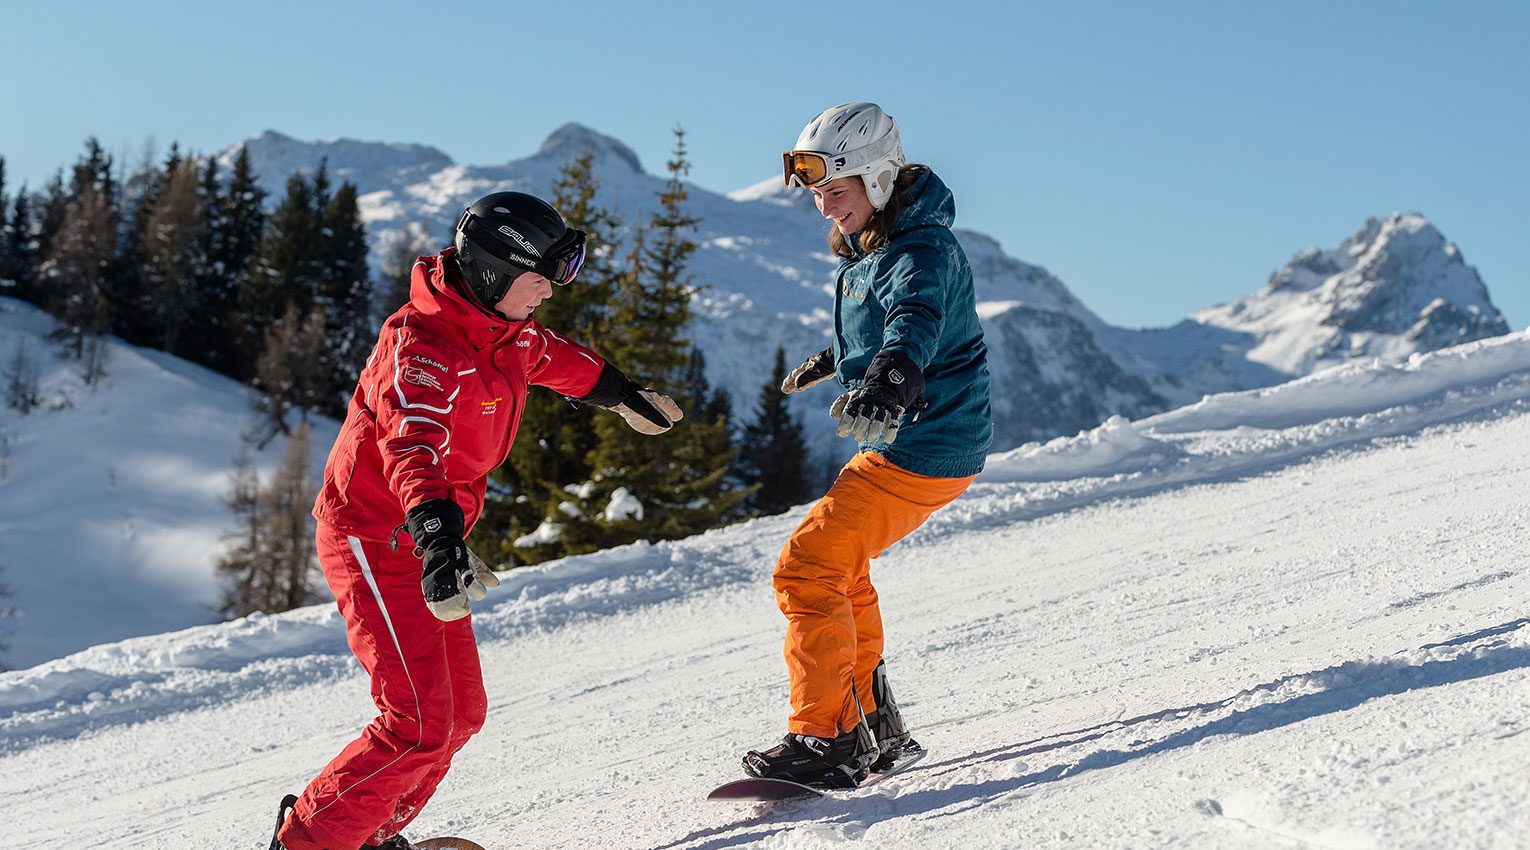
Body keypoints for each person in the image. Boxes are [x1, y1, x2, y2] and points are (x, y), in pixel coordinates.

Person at [267, 191, 684, 850]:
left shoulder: (503, 330)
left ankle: (370, 833)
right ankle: (308, 844)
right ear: (493, 271)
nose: (551, 291)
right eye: (541, 276)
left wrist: (620, 392)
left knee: (461, 713)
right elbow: (411, 444)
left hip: (431, 539)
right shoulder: (422, 346)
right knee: (417, 722)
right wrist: (436, 534)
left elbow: (552, 357)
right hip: (378, 536)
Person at [742, 103, 993, 788]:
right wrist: (842, 358)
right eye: (817, 193)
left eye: (837, 190)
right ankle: (873, 728)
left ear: (880, 179)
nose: (825, 207)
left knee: (807, 566)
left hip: (924, 438)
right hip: (922, 436)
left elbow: (916, 316)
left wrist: (889, 377)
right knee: (840, 568)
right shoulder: (885, 242)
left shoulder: (920, 249)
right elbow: (889, 318)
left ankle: (828, 739)